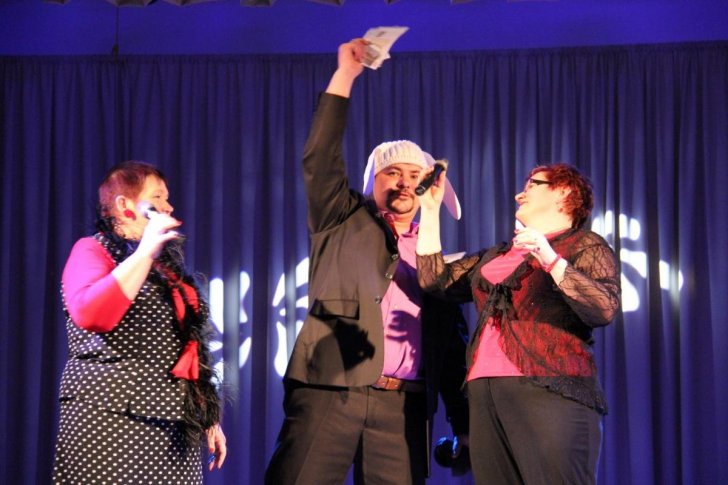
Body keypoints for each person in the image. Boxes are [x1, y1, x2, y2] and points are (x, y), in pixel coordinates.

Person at [264, 39, 470, 484]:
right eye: (392, 173)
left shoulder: (435, 254)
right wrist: (345, 77)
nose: (404, 183)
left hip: (405, 407)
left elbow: (452, 346)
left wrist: (463, 423)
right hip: (330, 389)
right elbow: (320, 159)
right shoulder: (341, 218)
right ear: (372, 181)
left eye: (414, 175)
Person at [416, 163, 621, 485]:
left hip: (549, 386)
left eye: (532, 185)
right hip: (485, 390)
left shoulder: (583, 244)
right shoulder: (497, 255)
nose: (519, 194)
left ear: (563, 192)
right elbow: (434, 281)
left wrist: (549, 258)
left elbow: (603, 308)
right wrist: (429, 211)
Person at [52, 161, 226, 484]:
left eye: (167, 198)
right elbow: (91, 314)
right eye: (157, 197)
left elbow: (187, 347)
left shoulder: (166, 271)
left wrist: (206, 412)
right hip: (111, 419)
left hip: (174, 427)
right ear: (125, 206)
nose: (168, 207)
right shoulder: (93, 250)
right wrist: (144, 253)